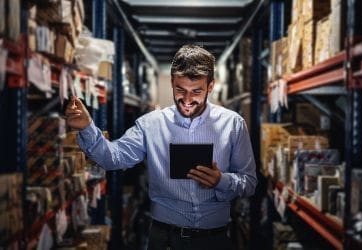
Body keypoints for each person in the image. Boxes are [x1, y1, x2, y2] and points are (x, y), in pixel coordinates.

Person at [65, 44, 257, 250]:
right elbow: (113, 158)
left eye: (197, 91)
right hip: (165, 240)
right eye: (180, 90)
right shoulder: (151, 124)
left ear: (210, 86)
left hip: (215, 240)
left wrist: (222, 180)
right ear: (172, 83)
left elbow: (249, 183)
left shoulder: (233, 124)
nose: (188, 100)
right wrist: (87, 128)